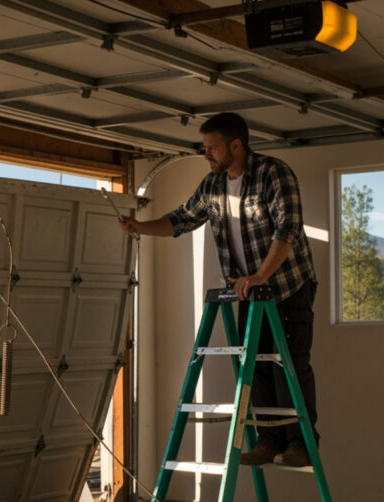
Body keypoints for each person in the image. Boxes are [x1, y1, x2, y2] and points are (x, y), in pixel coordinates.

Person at [117, 112, 318, 467]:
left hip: (288, 287)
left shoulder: (274, 173)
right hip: (250, 292)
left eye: (212, 148)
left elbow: (288, 230)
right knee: (253, 365)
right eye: (205, 148)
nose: (206, 155)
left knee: (288, 367)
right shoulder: (212, 185)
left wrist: (260, 275)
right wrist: (139, 227)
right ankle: (270, 440)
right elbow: (182, 220)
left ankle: (301, 444)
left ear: (236, 145)